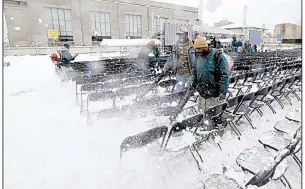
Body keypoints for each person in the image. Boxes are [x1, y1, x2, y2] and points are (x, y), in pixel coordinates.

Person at [192, 36, 230, 113]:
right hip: (202, 93)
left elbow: (225, 75)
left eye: (199, 48)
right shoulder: (198, 56)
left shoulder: (218, 56)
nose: (197, 51)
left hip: (214, 94)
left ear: (205, 47)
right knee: (202, 114)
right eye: (196, 49)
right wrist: (192, 80)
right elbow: (194, 71)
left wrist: (223, 92)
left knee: (213, 116)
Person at [163, 27, 195, 93]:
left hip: (190, 74)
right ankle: (178, 102)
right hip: (180, 73)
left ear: (186, 34)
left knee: (190, 91)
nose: (179, 36)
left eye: (181, 34)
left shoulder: (193, 46)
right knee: (178, 91)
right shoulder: (176, 47)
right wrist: (166, 67)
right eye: (178, 35)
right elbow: (171, 58)